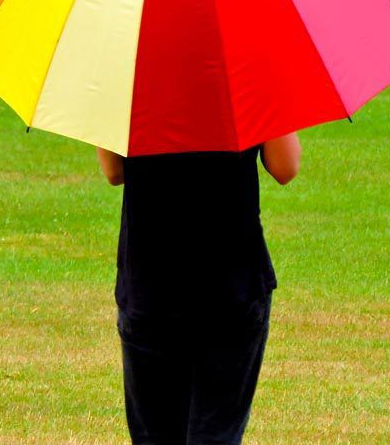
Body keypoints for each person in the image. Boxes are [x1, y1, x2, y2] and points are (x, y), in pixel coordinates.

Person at [97, 133, 301, 445]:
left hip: (150, 279)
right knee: (215, 435)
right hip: (230, 281)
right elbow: (285, 166)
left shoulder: (127, 84)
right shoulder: (249, 82)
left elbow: (114, 172)